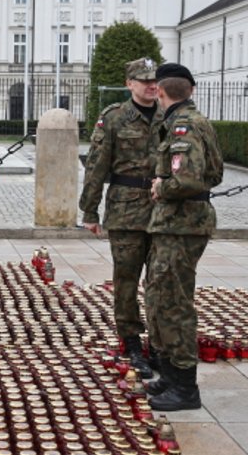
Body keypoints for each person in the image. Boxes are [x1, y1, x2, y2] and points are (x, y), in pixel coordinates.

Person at [144, 62, 223, 411]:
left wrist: (163, 186)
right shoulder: (195, 121)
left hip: (181, 224)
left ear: (161, 92)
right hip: (179, 225)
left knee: (173, 303)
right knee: (162, 297)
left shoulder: (183, 125)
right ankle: (171, 376)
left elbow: (189, 180)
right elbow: (216, 172)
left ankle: (185, 387)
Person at [79, 57, 160, 380]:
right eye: (143, 80)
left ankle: (160, 344)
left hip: (164, 212)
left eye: (154, 80)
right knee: (126, 281)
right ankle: (131, 342)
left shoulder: (172, 115)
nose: (151, 85)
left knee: (161, 281)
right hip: (126, 210)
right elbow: (97, 165)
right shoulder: (114, 118)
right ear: (130, 84)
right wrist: (89, 210)